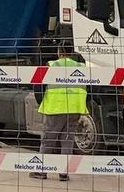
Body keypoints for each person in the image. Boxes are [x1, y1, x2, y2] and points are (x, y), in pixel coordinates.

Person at [32, 44, 88, 181]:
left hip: (55, 108)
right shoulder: (81, 67)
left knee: (48, 140)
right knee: (67, 141)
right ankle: (63, 173)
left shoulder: (51, 66)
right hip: (75, 108)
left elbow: (38, 86)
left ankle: (42, 171)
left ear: (59, 52)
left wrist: (42, 101)